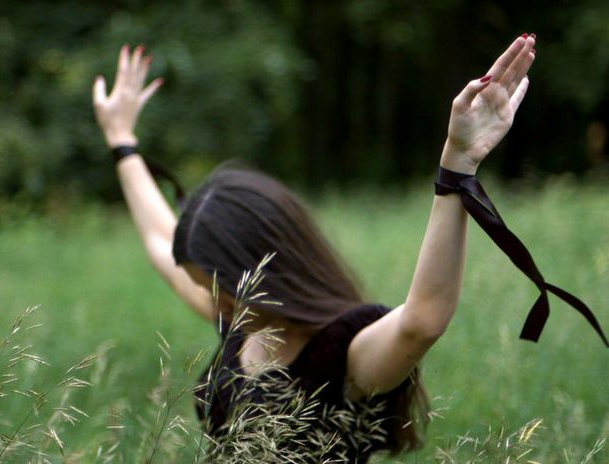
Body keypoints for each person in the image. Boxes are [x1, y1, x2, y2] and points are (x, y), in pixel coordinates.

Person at [92, 34, 537, 461]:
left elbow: (422, 321)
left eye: (220, 290)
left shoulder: (343, 353)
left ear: (256, 272)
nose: (217, 306)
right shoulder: (243, 320)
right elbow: (159, 238)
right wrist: (121, 140)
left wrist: (458, 164)